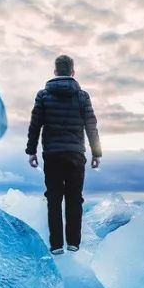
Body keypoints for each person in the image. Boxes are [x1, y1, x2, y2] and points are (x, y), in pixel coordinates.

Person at [25, 54, 102, 254]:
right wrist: (96, 153)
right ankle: (73, 243)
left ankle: (56, 245)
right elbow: (91, 126)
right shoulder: (82, 96)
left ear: (55, 71)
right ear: (72, 72)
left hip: (52, 154)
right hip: (76, 154)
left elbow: (35, 125)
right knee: (74, 198)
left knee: (54, 198)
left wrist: (31, 151)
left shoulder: (43, 95)